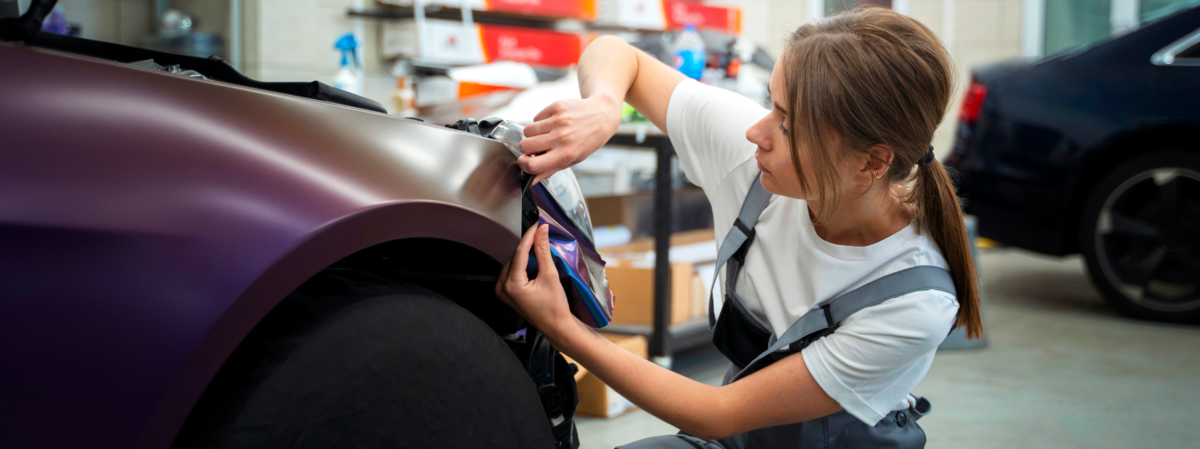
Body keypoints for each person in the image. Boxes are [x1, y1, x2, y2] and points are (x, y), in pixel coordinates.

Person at [496, 7, 984, 448]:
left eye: (788, 125)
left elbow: (718, 413)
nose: (757, 132)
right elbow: (619, 55)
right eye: (772, 105)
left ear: (871, 164)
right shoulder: (755, 162)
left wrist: (562, 326)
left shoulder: (913, 301)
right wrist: (604, 106)